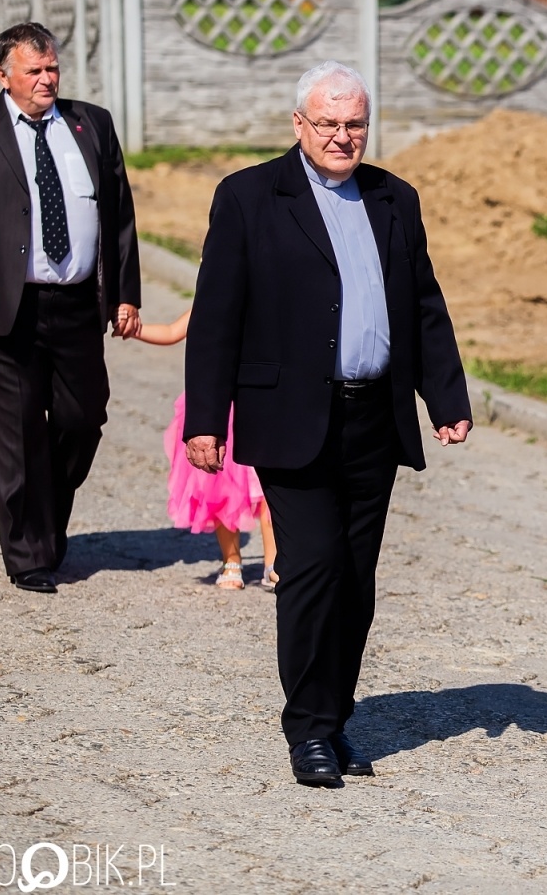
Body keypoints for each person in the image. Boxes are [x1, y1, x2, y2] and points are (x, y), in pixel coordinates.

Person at [183, 60, 473, 787]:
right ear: (299, 125)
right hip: (292, 416)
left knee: (356, 578)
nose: (343, 137)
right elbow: (217, 316)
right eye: (329, 124)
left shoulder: (393, 198)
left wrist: (447, 397)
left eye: (355, 125)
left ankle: (334, 716)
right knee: (311, 570)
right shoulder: (250, 197)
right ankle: (308, 730)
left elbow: (424, 305)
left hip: (373, 415)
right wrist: (205, 417)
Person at [0, 21, 141, 594]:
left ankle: (43, 512)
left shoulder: (91, 123)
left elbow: (119, 217)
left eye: (52, 70)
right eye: (34, 71)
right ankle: (29, 555)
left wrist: (125, 294)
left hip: (76, 303)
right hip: (7, 304)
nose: (47, 80)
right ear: (3, 76)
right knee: (17, 428)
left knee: (82, 416)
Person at [137, 305, 277, 590]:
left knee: (268, 495)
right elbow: (171, 331)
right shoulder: (209, 304)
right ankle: (231, 561)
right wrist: (135, 330)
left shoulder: (266, 302)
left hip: (258, 408)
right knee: (223, 492)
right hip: (218, 412)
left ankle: (273, 563)